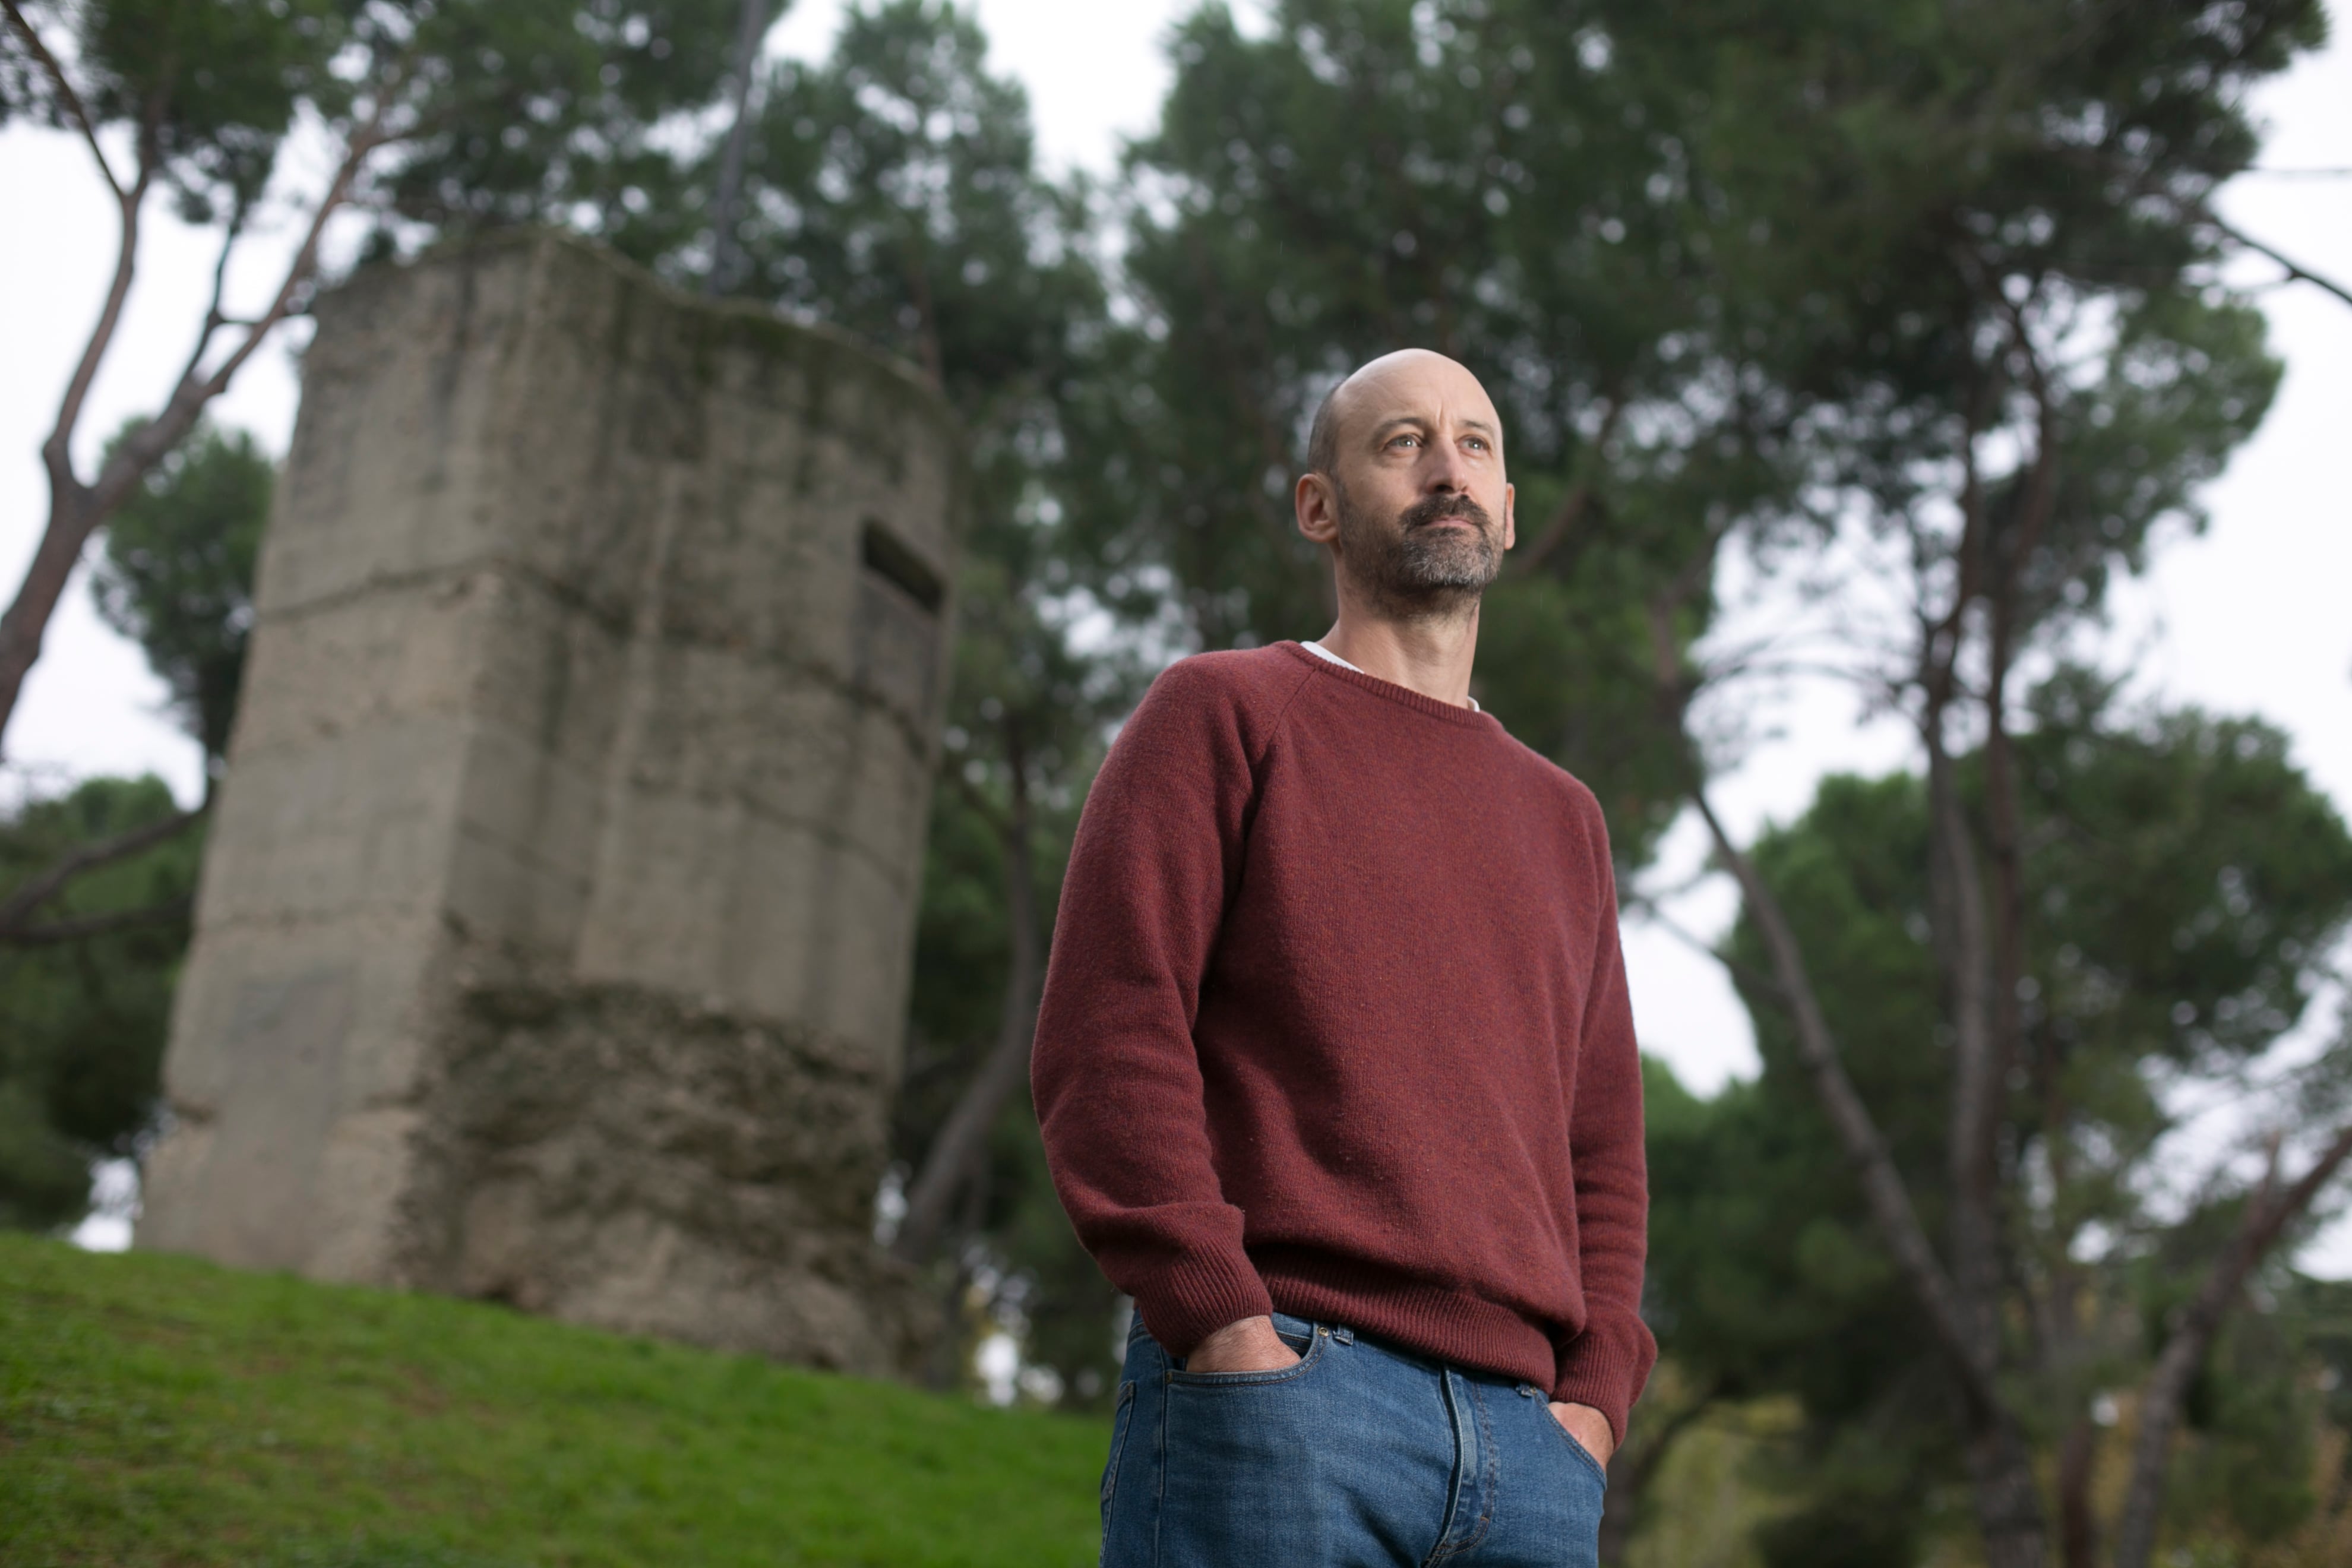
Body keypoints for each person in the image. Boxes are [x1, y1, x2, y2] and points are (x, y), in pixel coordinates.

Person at [1031, 349, 1652, 1567]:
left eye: (1475, 444)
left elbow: (1602, 1144)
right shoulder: (1223, 713)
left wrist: (1594, 1400)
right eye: (1401, 443)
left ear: (1511, 512)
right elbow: (1112, 1033)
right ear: (1319, 505)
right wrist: (1219, 1324)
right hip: (1287, 1398)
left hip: (1534, 1454)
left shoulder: (1563, 817)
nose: (1447, 470)